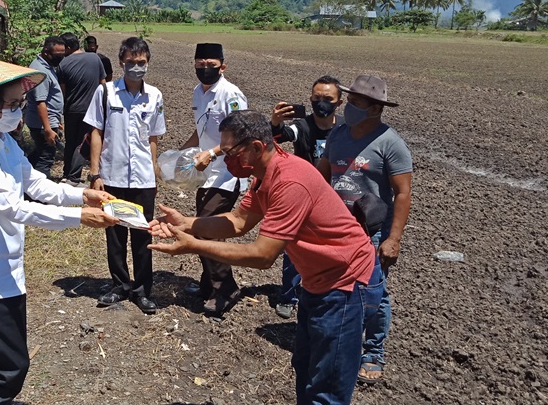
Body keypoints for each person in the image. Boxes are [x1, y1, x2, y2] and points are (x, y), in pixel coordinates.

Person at [148, 110, 377, 404]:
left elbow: (262, 255)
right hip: (317, 281)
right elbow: (238, 220)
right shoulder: (263, 174)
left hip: (345, 283)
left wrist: (193, 245)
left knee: (327, 387)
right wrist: (187, 223)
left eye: (229, 152)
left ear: (256, 147)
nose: (224, 159)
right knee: (306, 368)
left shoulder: (290, 182)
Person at [0, 53, 118, 404]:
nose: (16, 110)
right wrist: (79, 217)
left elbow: (38, 184)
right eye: (9, 104)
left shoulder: (5, 141)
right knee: (13, 365)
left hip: (7, 268)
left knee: (7, 357)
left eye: (19, 102)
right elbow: (15, 207)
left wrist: (82, 194)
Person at [317, 74, 413, 385]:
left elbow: (403, 193)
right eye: (351, 102)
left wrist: (393, 240)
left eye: (357, 104)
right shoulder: (339, 134)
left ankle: (372, 352)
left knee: (374, 294)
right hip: (336, 227)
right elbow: (323, 174)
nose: (349, 108)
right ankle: (338, 340)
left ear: (375, 109)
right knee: (334, 285)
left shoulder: (390, 143)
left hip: (370, 232)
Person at [86, 37, 166, 314]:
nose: (136, 67)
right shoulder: (106, 93)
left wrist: (153, 171)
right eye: (131, 62)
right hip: (113, 175)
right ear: (121, 63)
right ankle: (120, 285)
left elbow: (154, 136)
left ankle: (143, 290)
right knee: (115, 234)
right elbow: (96, 131)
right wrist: (95, 172)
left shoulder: (154, 96)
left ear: (148, 63)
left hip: (143, 177)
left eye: (141, 62)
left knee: (143, 235)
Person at [177, 43, 248, 315]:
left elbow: (240, 134)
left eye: (211, 65)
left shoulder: (231, 94)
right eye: (200, 65)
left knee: (206, 230)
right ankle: (208, 285)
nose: (205, 70)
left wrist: (212, 152)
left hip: (226, 174)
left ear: (222, 66)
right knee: (202, 227)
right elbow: (200, 132)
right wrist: (178, 155)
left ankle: (226, 289)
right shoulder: (198, 93)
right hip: (203, 174)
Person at [270, 75, 345, 319]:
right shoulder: (302, 126)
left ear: (339, 102)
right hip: (303, 197)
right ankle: (289, 295)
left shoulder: (345, 129)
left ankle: (325, 292)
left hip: (335, 199)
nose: (321, 103)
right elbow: (281, 136)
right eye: (316, 98)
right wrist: (275, 123)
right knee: (295, 248)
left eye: (328, 99)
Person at [57, 32, 106, 184]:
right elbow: (103, 83)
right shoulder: (95, 58)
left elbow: (62, 91)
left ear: (68, 47)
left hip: (71, 109)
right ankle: (74, 176)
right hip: (90, 109)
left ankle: (67, 173)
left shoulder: (63, 64)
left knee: (70, 141)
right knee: (83, 141)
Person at [24, 37, 66, 178]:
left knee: (39, 153)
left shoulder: (46, 67)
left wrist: (55, 120)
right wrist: (48, 128)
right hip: (41, 125)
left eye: (63, 54)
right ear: (46, 52)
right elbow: (40, 102)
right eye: (58, 54)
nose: (61, 58)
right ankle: (40, 192)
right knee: (45, 157)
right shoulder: (39, 71)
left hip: (46, 121)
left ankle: (23, 179)